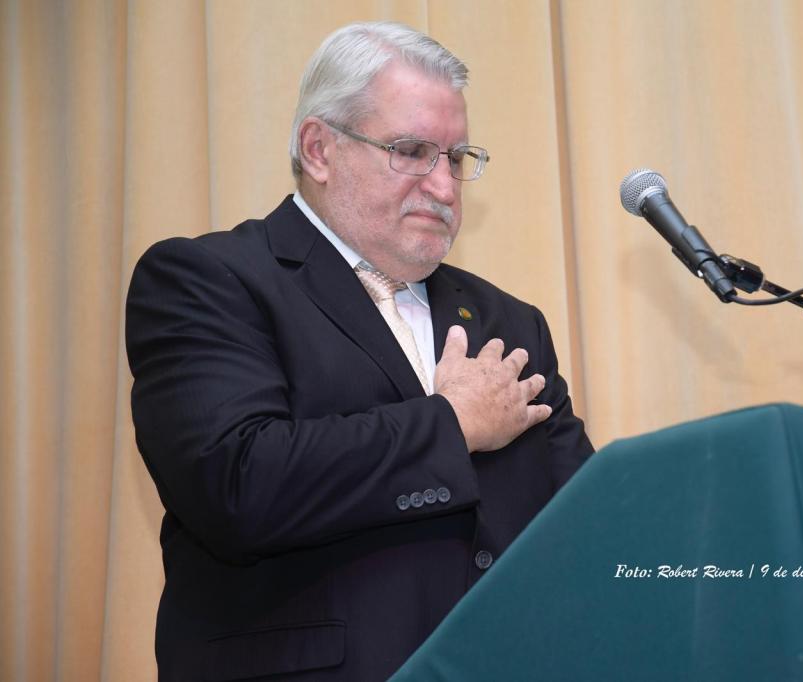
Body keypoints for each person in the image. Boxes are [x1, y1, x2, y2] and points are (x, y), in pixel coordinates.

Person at [125, 20, 592, 681]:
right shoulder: (210, 279)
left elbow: (581, 522)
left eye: (456, 158)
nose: (444, 186)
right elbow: (237, 486)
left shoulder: (510, 323)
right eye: (412, 151)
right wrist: (451, 424)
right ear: (319, 150)